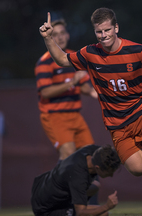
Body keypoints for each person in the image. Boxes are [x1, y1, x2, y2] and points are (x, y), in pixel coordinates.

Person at [39, 8, 142, 216]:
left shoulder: (136, 50)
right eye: (99, 32)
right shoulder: (90, 53)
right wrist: (48, 38)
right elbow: (63, 60)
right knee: (138, 169)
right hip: (117, 124)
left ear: (116, 27)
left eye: (108, 30)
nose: (104, 35)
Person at [35, 19, 97, 162]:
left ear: (68, 35)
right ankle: (62, 184)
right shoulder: (44, 62)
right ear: (49, 36)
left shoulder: (73, 57)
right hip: (55, 116)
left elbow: (83, 85)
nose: (60, 37)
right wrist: (71, 83)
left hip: (75, 115)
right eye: (55, 34)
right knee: (68, 154)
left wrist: (95, 92)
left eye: (62, 33)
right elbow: (45, 92)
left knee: (90, 155)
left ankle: (92, 184)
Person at [31, 145, 121, 216]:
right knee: (103, 213)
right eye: (109, 172)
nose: (111, 175)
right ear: (97, 168)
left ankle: (75, 205)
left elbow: (107, 153)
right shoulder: (78, 177)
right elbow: (81, 213)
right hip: (46, 209)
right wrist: (107, 206)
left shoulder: (94, 152)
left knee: (95, 187)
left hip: (41, 187)